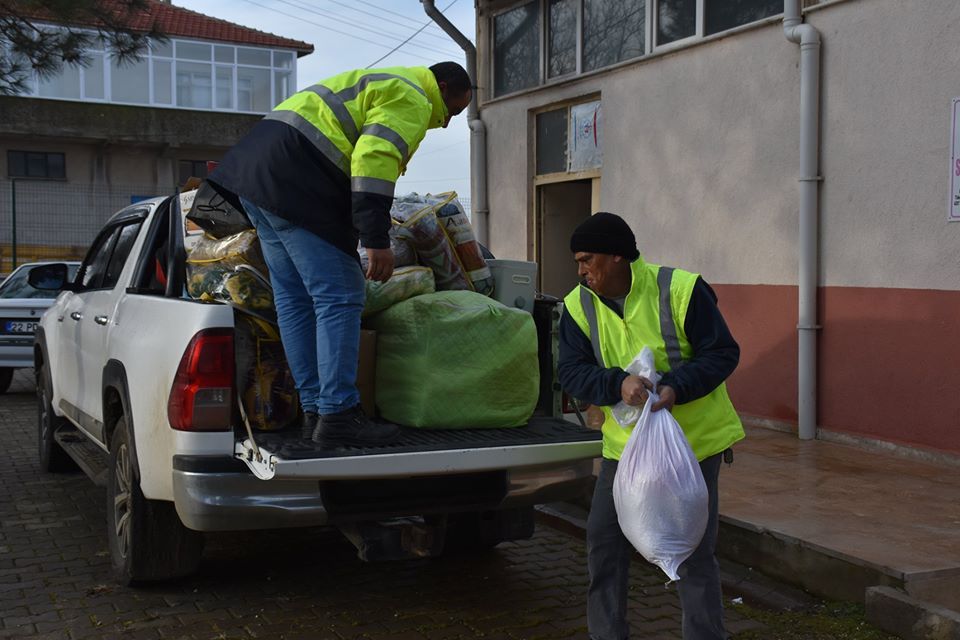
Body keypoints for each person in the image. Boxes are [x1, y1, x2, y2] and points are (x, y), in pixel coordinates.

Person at [208, 62, 473, 446]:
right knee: (341, 295)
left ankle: (315, 411)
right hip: (296, 180)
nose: (447, 123)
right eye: (452, 111)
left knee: (295, 300)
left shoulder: (379, 83)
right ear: (442, 87)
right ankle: (338, 413)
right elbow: (373, 160)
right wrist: (375, 239)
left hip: (255, 178)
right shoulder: (413, 96)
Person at [556, 212, 745, 640]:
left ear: (619, 256)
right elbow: (570, 371)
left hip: (693, 449)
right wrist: (615, 383)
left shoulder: (679, 290)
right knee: (604, 545)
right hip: (623, 451)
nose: (581, 271)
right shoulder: (576, 306)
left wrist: (675, 387)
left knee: (691, 554)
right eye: (577, 263)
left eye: (587, 260)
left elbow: (722, 353)